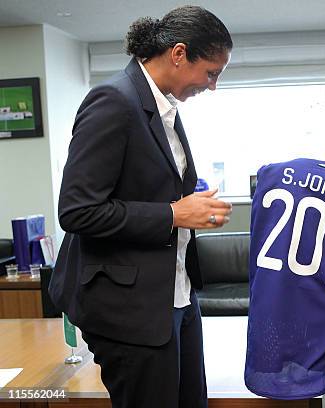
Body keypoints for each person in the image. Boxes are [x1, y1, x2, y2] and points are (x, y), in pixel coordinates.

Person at [49, 6, 233, 408]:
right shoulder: (114, 101)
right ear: (179, 53)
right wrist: (173, 214)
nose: (212, 85)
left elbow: (150, 189)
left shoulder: (163, 107)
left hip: (176, 296)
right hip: (130, 309)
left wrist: (192, 208)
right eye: (211, 72)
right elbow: (78, 211)